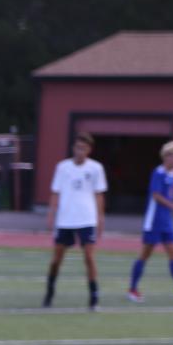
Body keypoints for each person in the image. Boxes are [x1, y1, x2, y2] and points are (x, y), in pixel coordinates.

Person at [128, 140, 173, 304]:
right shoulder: (158, 172)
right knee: (145, 254)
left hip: (166, 221)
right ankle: (132, 289)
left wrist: (171, 210)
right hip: (154, 221)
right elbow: (156, 196)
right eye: (172, 156)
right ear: (165, 156)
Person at [43, 132, 107, 309]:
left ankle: (93, 297)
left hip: (87, 219)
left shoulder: (96, 168)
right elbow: (55, 192)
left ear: (89, 150)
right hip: (65, 219)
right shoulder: (62, 167)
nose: (81, 151)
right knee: (56, 260)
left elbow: (99, 194)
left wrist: (100, 217)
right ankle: (49, 292)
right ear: (73, 148)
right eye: (78, 147)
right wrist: (51, 214)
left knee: (89, 257)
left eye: (84, 148)